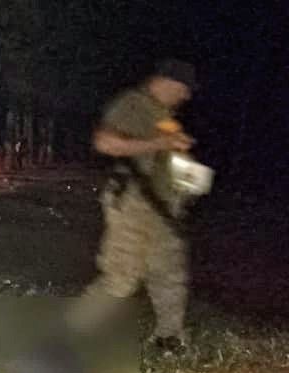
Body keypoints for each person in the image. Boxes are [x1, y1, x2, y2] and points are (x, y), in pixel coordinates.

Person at [65, 59, 198, 352]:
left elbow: (164, 157)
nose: (186, 96)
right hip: (133, 203)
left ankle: (169, 338)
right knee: (122, 276)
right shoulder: (134, 104)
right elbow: (105, 143)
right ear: (166, 81)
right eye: (183, 89)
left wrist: (187, 174)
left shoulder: (164, 115)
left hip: (163, 209)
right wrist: (160, 144)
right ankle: (65, 338)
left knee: (169, 273)